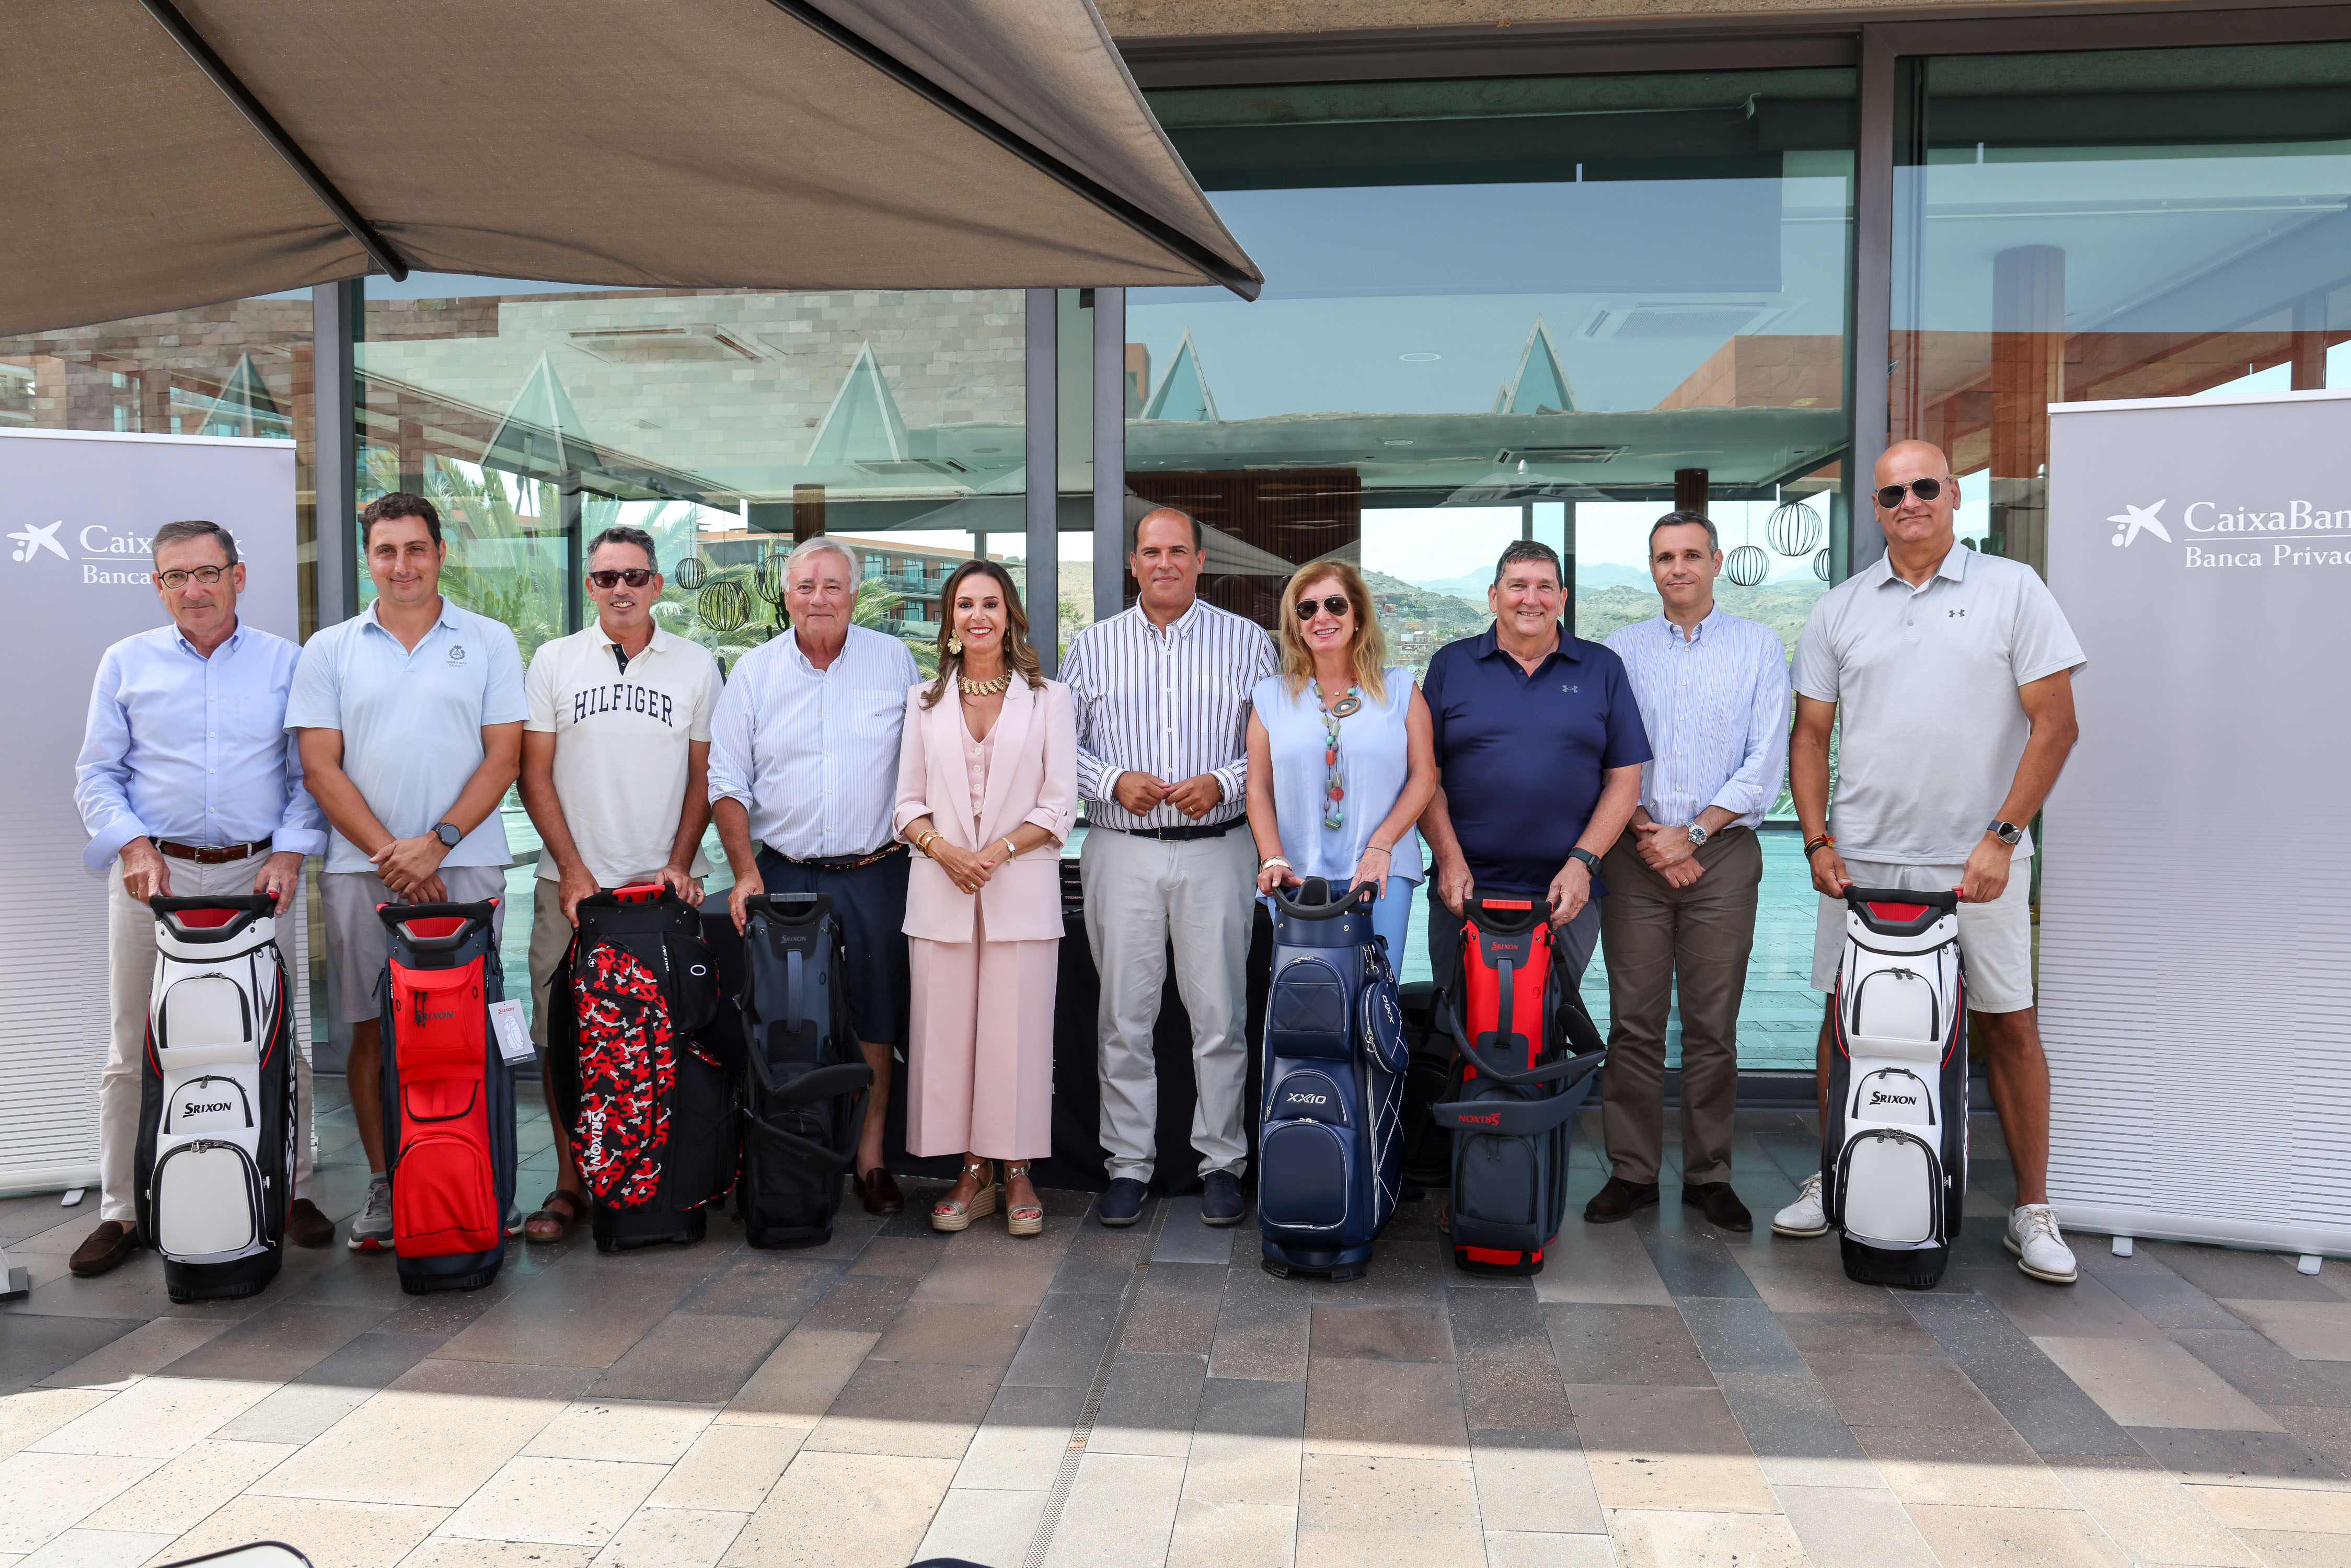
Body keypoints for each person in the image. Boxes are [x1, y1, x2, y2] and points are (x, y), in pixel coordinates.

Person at [1774, 441, 2085, 1286]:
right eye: (1890, 493)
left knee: (2008, 1022)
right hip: (1863, 857)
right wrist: (1815, 840)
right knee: (1846, 1019)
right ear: (1873, 510)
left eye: (1922, 487)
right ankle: (1838, 1178)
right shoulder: (1840, 608)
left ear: (1951, 494)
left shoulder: (2011, 591)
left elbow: (2055, 724)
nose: (1907, 502)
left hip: (1977, 858)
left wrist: (2002, 836)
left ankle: (2031, 1209)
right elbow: (1809, 735)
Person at [70, 520, 332, 1276]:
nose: (193, 590)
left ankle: (291, 1189)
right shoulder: (125, 663)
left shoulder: (288, 663)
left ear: (238, 577)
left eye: (208, 574)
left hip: (258, 881)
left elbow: (305, 777)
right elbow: (97, 773)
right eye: (174, 577)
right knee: (135, 1046)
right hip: (155, 882)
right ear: (157, 585)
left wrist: (288, 852)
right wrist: (132, 845)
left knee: (276, 1037)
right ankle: (121, 1211)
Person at [288, 491, 526, 1253]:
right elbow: (319, 767)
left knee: (469, 1032)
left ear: (439, 553)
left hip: (467, 867)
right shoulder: (329, 649)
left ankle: (476, 1176)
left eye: (415, 549)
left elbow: (505, 757)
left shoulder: (490, 640)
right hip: (365, 871)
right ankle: (391, 1185)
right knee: (370, 1031)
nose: (402, 565)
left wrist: (440, 842)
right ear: (370, 559)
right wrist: (398, 852)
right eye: (386, 552)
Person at [1062, 506, 1276, 1229]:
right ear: (1132, 564)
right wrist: (1113, 778)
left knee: (1220, 1018)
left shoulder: (1247, 643)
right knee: (1123, 1018)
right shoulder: (1090, 647)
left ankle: (1222, 1163)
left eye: (1177, 551)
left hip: (1219, 849)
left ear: (1199, 560)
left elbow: (1271, 749)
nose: (1164, 563)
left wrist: (1221, 780)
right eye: (1151, 552)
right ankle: (1127, 1164)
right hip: (1119, 850)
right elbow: (1062, 750)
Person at [1588, 511, 1792, 1232]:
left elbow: (1765, 761)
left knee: (1711, 1027)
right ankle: (1632, 1172)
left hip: (1722, 853)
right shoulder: (1620, 651)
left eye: (1689, 555)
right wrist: (1648, 833)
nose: (1676, 568)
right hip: (1636, 854)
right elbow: (1603, 755)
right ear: (1651, 567)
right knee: (1633, 1024)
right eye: (1663, 557)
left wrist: (1694, 834)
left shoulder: (1758, 647)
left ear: (1716, 561)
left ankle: (1709, 1176)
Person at [515, 524, 719, 1242]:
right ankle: (575, 1182)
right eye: (606, 578)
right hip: (570, 888)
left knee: (667, 1037)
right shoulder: (553, 660)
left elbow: (705, 776)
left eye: (634, 575)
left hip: (663, 893)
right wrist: (572, 870)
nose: (621, 589)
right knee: (561, 1035)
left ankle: (660, 1175)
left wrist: (680, 858)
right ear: (590, 586)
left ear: (657, 584)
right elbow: (532, 773)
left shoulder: (696, 665)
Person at [710, 536, 919, 1217]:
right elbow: (727, 783)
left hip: (876, 872)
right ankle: (794, 1152)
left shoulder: (893, 661)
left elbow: (926, 764)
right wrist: (745, 874)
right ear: (786, 595)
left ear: (854, 595)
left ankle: (870, 1160)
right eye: (805, 586)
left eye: (832, 586)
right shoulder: (754, 672)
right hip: (785, 874)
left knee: (874, 1021)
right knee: (787, 1020)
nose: (818, 598)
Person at [892, 561, 1076, 1236]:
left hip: (1018, 891)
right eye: (964, 604)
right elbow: (905, 803)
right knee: (950, 1040)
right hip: (940, 891)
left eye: (990, 603)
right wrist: (943, 851)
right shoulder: (921, 702)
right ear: (948, 622)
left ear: (1010, 616)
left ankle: (1017, 1167)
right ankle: (971, 1173)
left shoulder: (1048, 698)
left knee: (1017, 1038)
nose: (977, 615)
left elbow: (1059, 805)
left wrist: (993, 854)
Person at [1419, 539, 1649, 991]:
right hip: (1466, 887)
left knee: (1548, 1029)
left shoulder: (1602, 668)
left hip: (1565, 891)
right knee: (1457, 1032)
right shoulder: (1451, 665)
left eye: (1545, 587)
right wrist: (1447, 860)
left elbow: (1625, 781)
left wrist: (1582, 864)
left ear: (1562, 598)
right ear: (1493, 596)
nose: (1531, 598)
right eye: (1517, 586)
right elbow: (1428, 778)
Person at [1245, 561, 1435, 961]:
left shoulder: (1400, 688)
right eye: (1307, 609)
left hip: (1382, 871)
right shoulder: (1269, 697)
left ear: (1359, 615)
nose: (1322, 617)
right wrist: (1272, 856)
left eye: (1335, 604)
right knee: (1309, 1002)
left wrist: (1381, 846)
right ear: (1296, 624)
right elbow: (1258, 788)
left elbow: (1425, 777)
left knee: (1374, 1000)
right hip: (1296, 878)